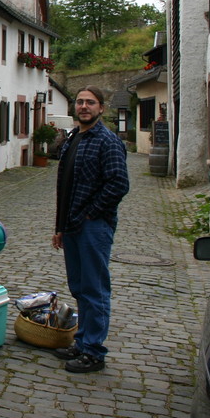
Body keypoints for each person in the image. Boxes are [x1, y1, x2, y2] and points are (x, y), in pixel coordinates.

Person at [51, 86, 130, 373]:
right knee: (80, 287)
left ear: (101, 108)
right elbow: (66, 187)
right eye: (80, 102)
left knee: (95, 290)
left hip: (93, 227)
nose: (84, 106)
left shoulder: (107, 141)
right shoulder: (74, 138)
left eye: (90, 103)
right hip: (72, 225)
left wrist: (89, 215)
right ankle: (82, 341)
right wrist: (60, 226)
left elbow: (118, 184)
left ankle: (94, 351)